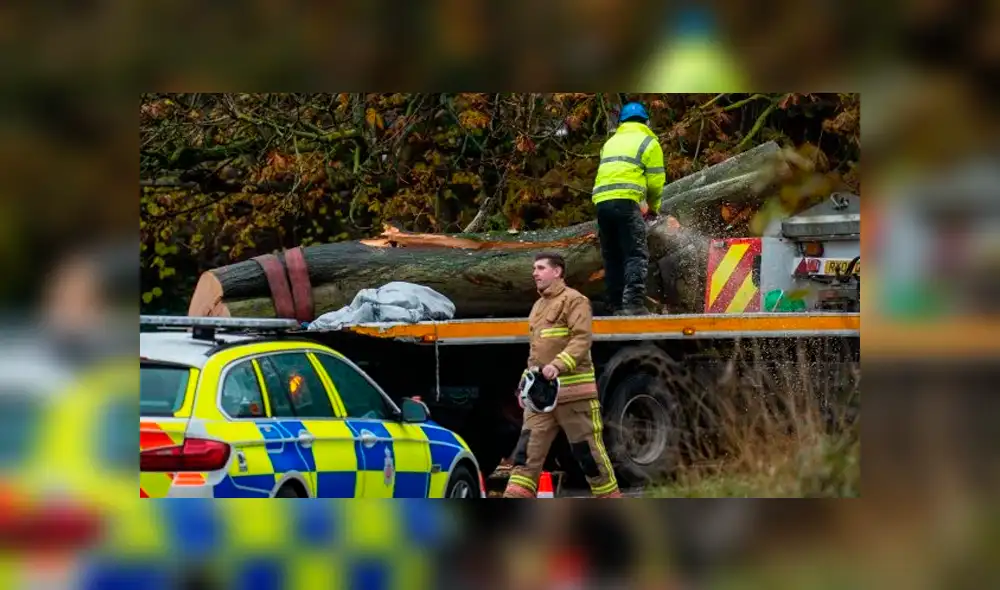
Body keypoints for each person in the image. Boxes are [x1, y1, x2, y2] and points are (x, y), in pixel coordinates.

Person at [502, 252, 622, 498]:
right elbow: (536, 351)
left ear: (557, 272)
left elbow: (581, 339)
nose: (535, 273)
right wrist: (525, 382)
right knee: (526, 455)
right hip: (541, 399)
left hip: (574, 398)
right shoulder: (538, 307)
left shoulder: (575, 301)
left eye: (541, 268)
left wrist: (558, 365)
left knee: (589, 456)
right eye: (534, 268)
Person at [591, 101, 666, 315]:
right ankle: (633, 305)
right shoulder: (649, 142)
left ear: (621, 122)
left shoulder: (610, 143)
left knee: (612, 255)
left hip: (602, 202)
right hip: (627, 201)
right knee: (635, 254)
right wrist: (653, 208)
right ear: (646, 122)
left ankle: (615, 304)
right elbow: (655, 182)